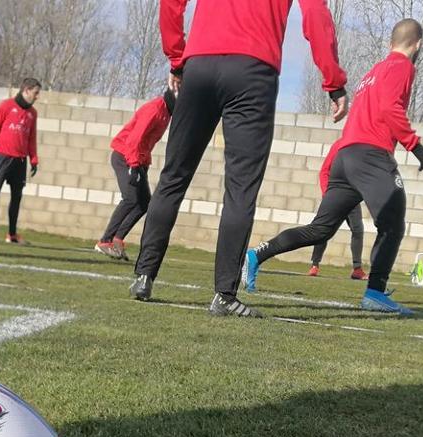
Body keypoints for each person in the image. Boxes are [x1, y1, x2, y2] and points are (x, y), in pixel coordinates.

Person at [129, 0, 348, 318]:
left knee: (174, 175)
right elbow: (315, 13)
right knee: (241, 187)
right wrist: (334, 81)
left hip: (199, 65)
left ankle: (144, 276)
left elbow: (171, 3)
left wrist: (177, 59)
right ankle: (224, 295)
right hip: (252, 71)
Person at [244, 18, 423, 315]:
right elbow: (389, 108)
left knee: (320, 229)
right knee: (393, 223)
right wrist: (415, 145)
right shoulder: (403, 67)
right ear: (418, 44)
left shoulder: (374, 71)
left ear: (390, 42)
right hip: (371, 156)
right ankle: (375, 292)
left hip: (345, 156)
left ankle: (257, 255)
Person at [95, 89, 176, 261]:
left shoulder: (166, 113)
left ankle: (117, 239)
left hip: (138, 161)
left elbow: (147, 142)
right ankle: (105, 241)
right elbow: (134, 139)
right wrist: (133, 165)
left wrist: (142, 165)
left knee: (144, 203)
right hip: (124, 157)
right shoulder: (154, 109)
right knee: (130, 199)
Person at [0, 78, 40, 244]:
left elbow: (31, 138)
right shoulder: (6, 106)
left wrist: (34, 159)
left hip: (20, 161)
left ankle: (11, 234)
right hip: (3, 158)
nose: (37, 97)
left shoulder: (32, 114)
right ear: (26, 90)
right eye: (35, 93)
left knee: (17, 197)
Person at [307, 204, 365, 278]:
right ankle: (314, 265)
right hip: (335, 199)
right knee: (323, 229)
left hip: (353, 201)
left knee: (358, 231)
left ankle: (357, 269)